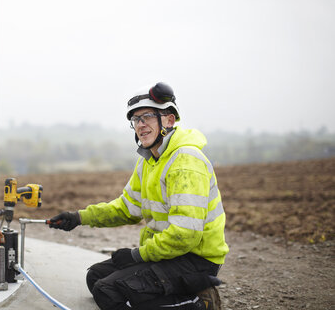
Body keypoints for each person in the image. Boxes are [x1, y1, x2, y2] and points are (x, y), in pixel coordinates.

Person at [49, 82, 229, 310]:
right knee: (95, 277)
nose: (140, 125)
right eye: (136, 120)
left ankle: (199, 302)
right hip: (169, 253)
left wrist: (137, 256)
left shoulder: (186, 161)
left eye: (147, 117)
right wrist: (78, 218)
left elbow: (185, 235)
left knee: (107, 290)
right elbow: (126, 208)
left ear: (169, 121)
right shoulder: (148, 161)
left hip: (195, 260)